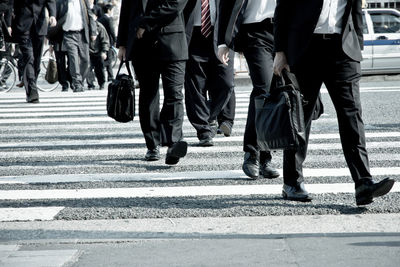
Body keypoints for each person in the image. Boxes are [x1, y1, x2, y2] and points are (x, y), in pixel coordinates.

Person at [273, 0, 395, 204]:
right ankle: (292, 182)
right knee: (300, 117)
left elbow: (354, 10)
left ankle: (363, 182)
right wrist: (280, 51)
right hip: (305, 49)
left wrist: (357, 47)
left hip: (343, 50)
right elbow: (283, 9)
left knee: (352, 115)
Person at [117, 0, 189, 165]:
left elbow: (175, 4)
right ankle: (152, 143)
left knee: (174, 94)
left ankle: (173, 142)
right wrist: (122, 43)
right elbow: (127, 8)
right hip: (141, 44)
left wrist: (146, 22)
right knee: (148, 95)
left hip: (172, 40)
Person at [217, 0, 279, 179]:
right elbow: (226, 4)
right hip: (255, 30)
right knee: (263, 89)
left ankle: (265, 155)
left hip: (286, 29)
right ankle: (253, 153)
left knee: (278, 92)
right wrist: (223, 41)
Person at [184, 0, 235, 147]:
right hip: (192, 35)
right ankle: (203, 131)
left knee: (226, 83)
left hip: (220, 36)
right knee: (195, 88)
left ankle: (210, 116)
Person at [12, 0, 57, 103]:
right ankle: (32, 90)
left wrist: (52, 15)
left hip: (39, 25)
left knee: (36, 61)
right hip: (23, 24)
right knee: (29, 57)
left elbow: (50, 1)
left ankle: (32, 85)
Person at [61, 0, 97, 93]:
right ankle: (77, 83)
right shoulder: (62, 2)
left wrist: (93, 32)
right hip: (68, 35)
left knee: (86, 60)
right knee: (74, 59)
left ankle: (79, 80)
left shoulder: (83, 2)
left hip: (82, 34)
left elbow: (90, 16)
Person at [87, 18, 109, 90]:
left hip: (98, 52)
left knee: (100, 69)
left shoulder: (100, 27)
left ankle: (101, 83)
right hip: (88, 52)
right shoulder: (85, 26)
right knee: (88, 69)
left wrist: (104, 51)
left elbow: (105, 40)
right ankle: (90, 84)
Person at [98, 3, 116, 81]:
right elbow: (112, 31)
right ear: (109, 10)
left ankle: (110, 76)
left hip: (100, 41)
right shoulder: (109, 19)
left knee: (106, 58)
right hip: (108, 41)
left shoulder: (100, 19)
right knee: (109, 59)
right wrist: (115, 40)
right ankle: (109, 75)